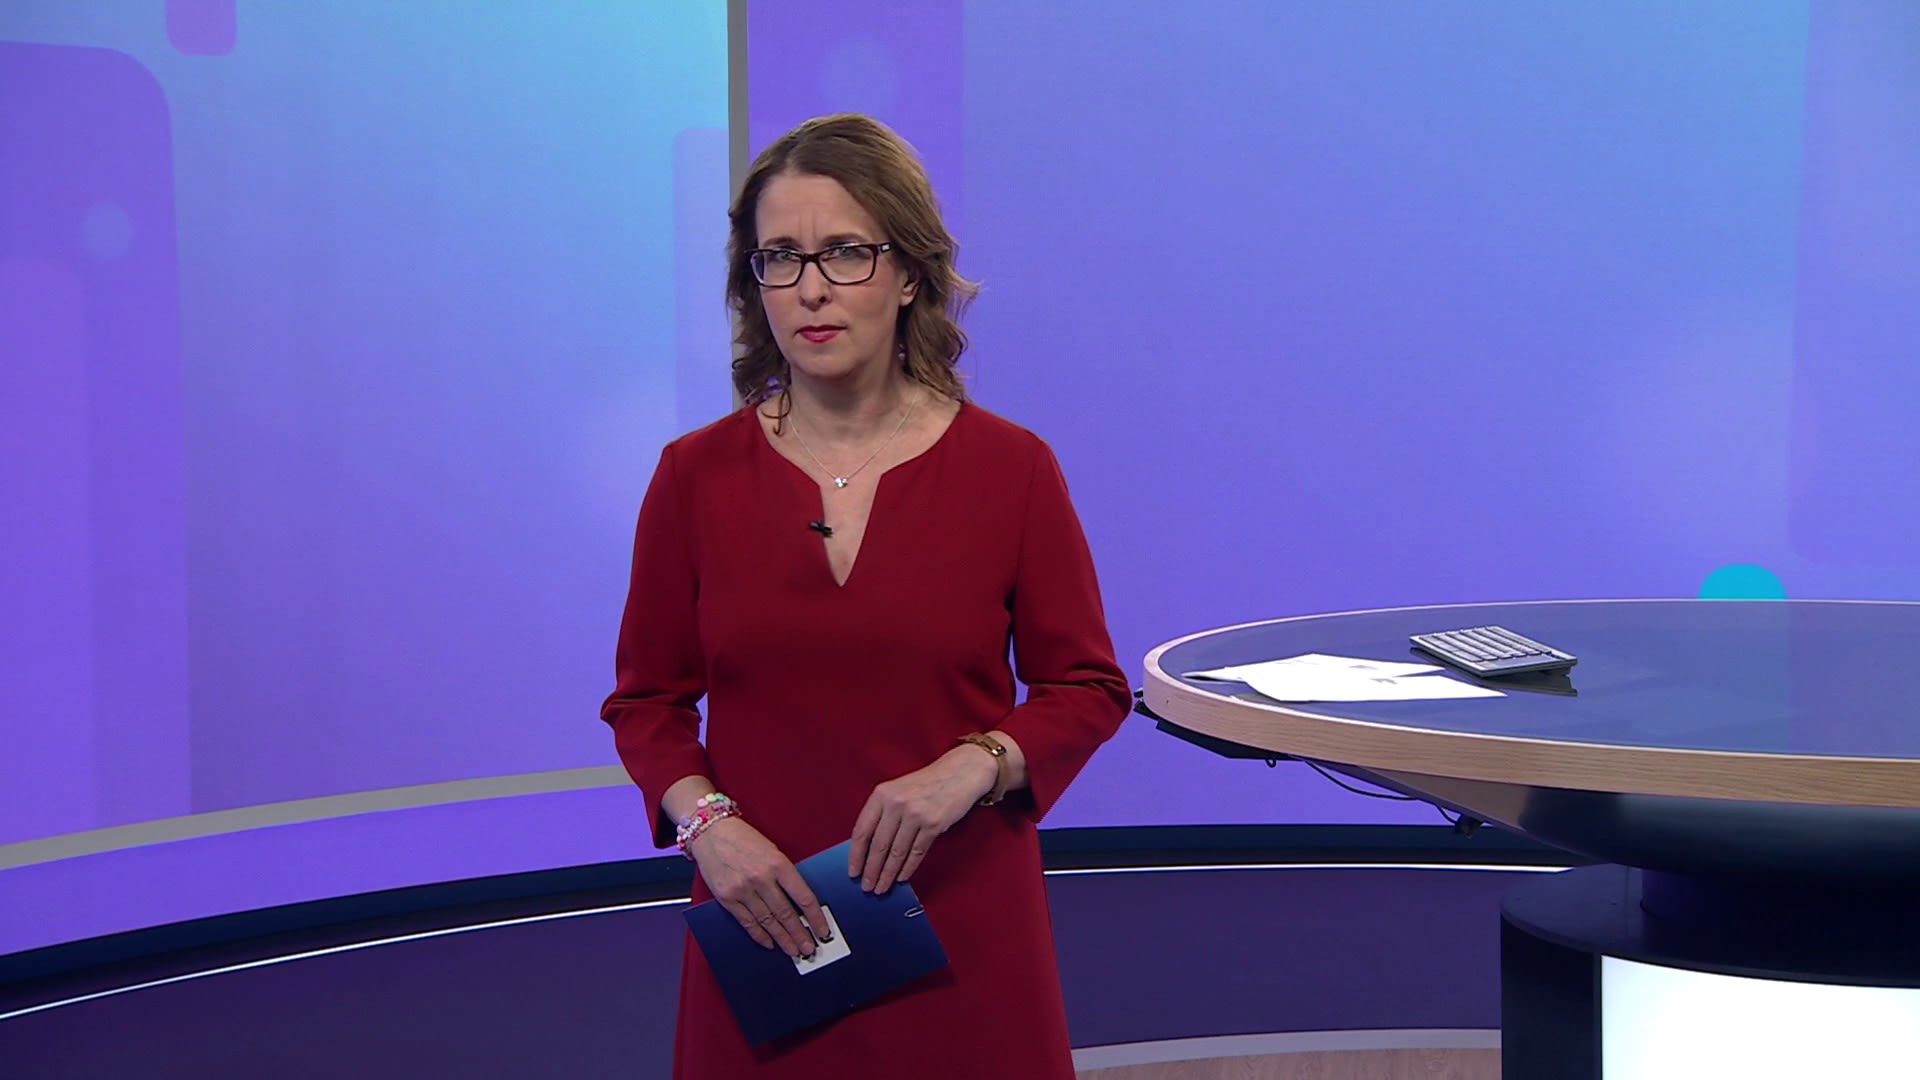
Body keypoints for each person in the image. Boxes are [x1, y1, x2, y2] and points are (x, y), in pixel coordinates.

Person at [600, 113, 1132, 1079]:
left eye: (847, 253)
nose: (811, 288)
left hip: (962, 921)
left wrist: (972, 765)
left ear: (910, 273)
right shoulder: (693, 477)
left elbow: (1086, 688)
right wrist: (709, 832)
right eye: (781, 258)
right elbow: (647, 702)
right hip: (767, 917)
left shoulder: (1012, 469)